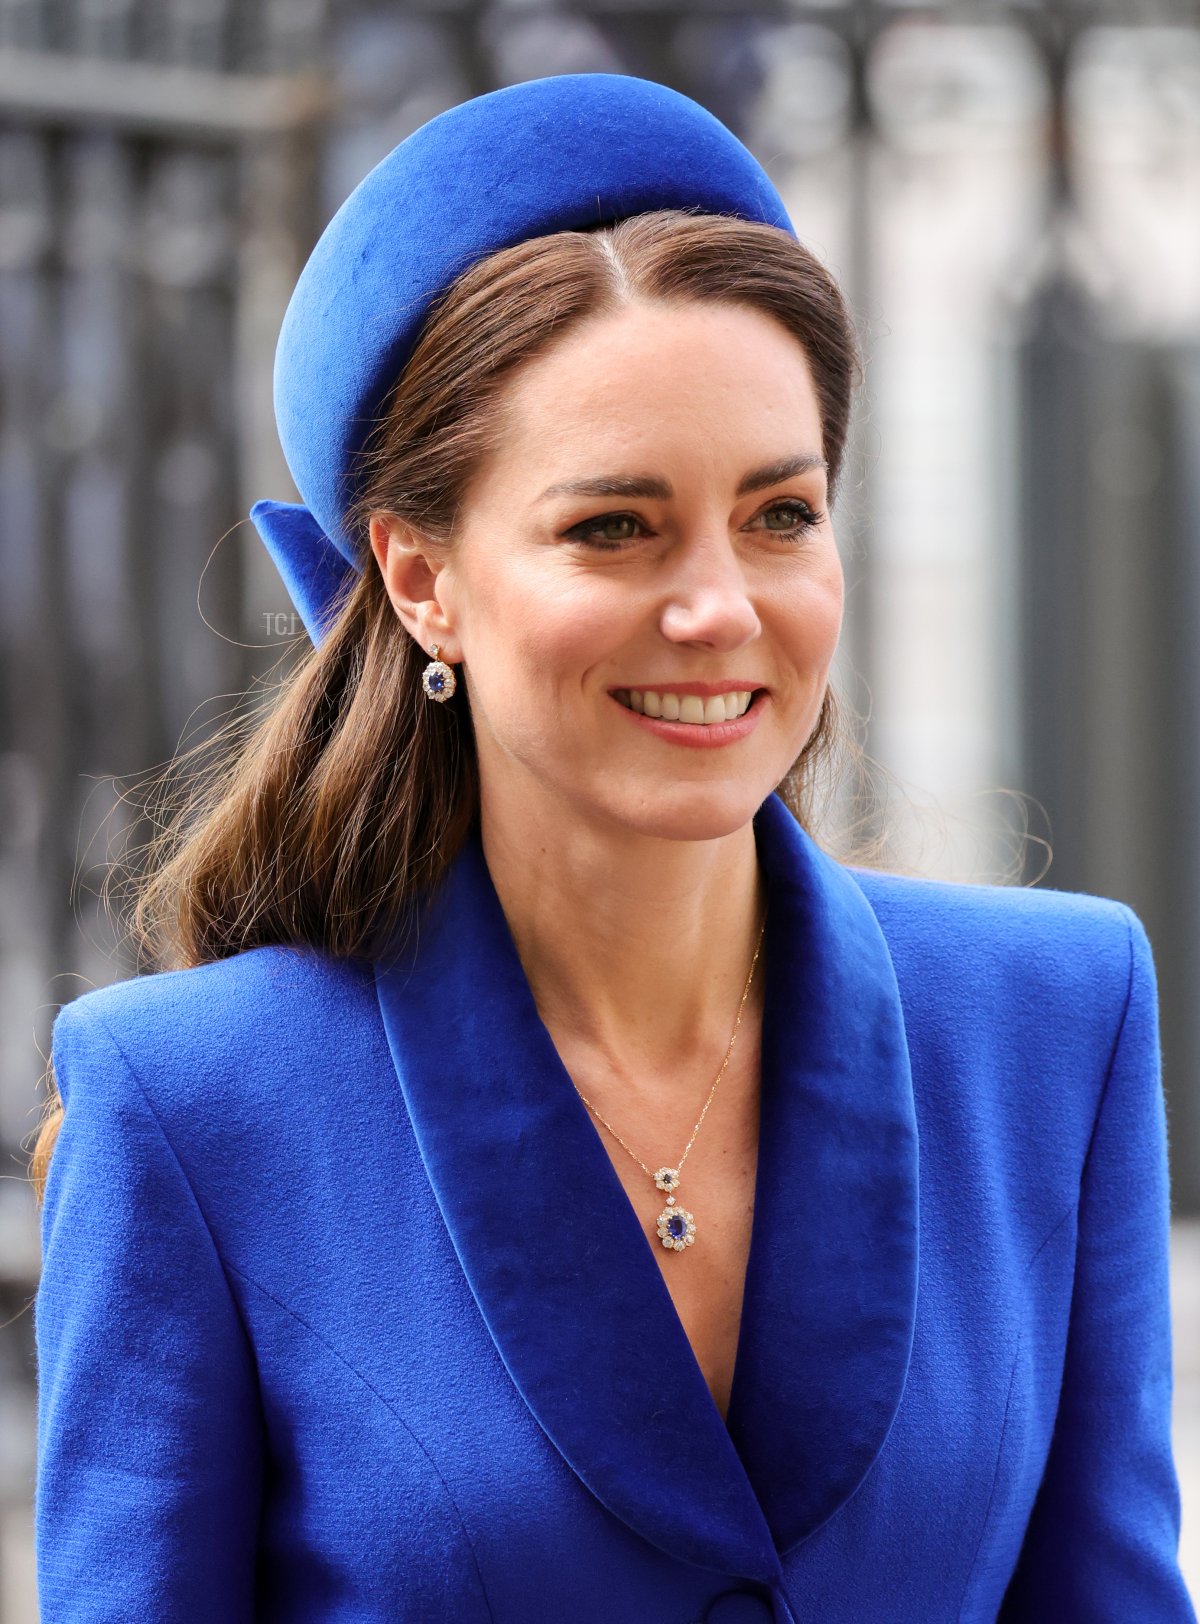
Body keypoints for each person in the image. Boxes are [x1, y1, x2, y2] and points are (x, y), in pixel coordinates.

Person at [29, 72, 1195, 1624]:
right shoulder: (192, 1107)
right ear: (422, 579)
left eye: (780, 515)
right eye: (614, 528)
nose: (720, 606)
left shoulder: (1058, 1023)